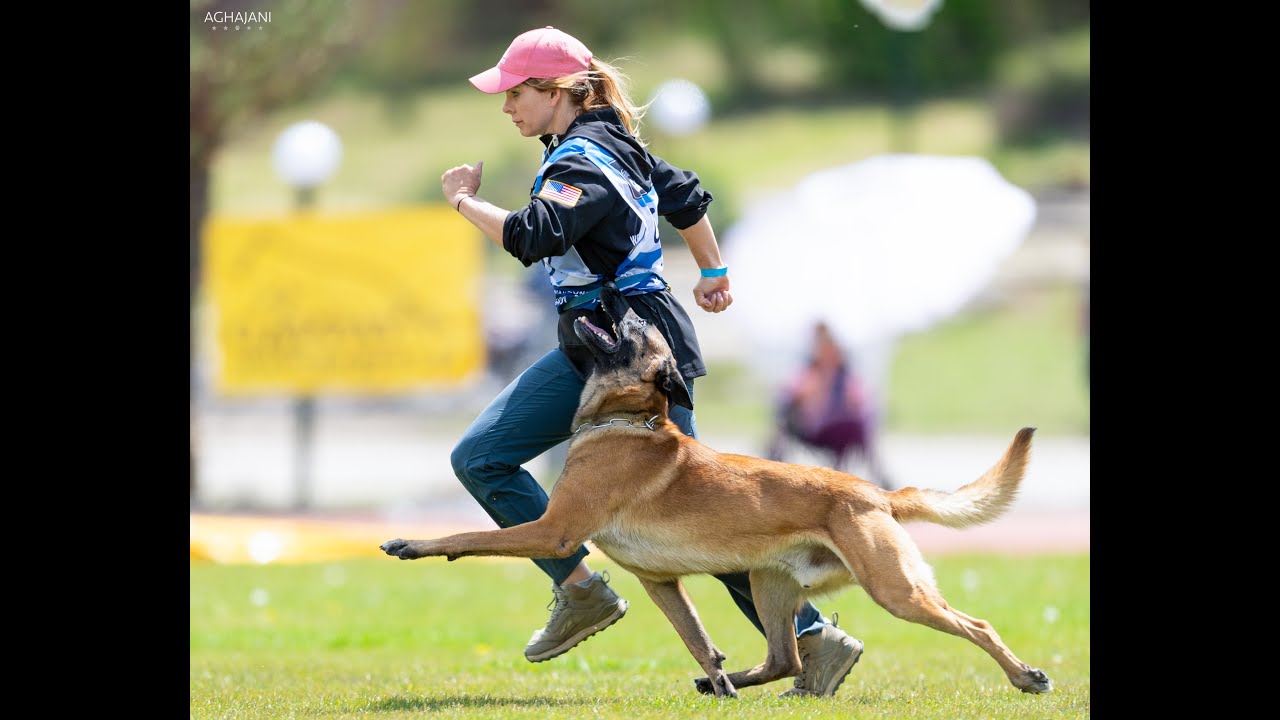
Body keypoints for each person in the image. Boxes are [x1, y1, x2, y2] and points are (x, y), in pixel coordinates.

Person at [440, 26, 863, 697]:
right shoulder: (615, 146)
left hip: (638, 358)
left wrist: (463, 201)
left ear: (557, 92)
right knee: (481, 456)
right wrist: (712, 269)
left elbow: (532, 235)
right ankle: (581, 589)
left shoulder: (582, 159)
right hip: (594, 351)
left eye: (516, 92)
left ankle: (814, 640)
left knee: (700, 519)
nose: (506, 106)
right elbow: (687, 197)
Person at [767, 321, 892, 490]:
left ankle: (859, 480)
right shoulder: (810, 371)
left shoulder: (845, 376)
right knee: (783, 427)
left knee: (858, 428)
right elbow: (791, 396)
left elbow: (860, 401)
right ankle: (772, 473)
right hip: (814, 427)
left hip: (842, 426)